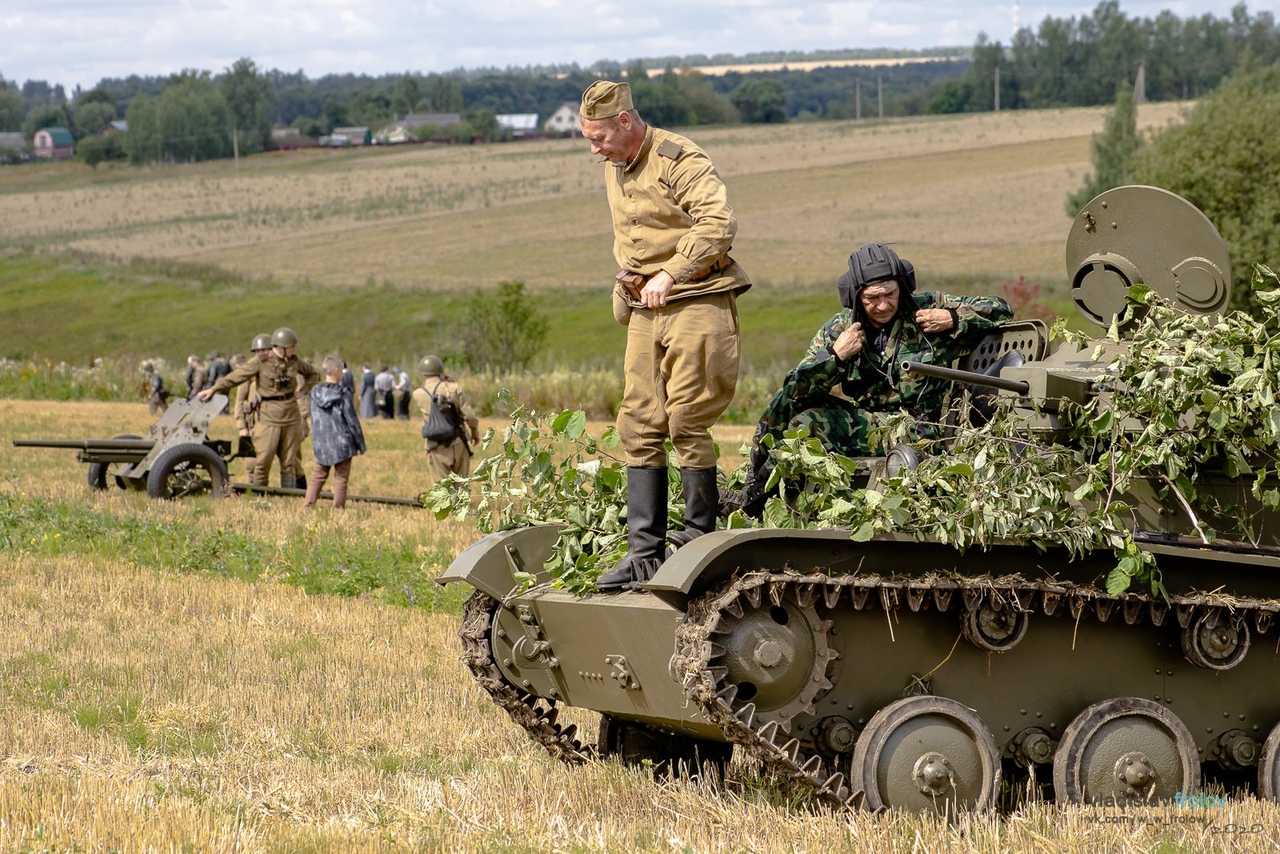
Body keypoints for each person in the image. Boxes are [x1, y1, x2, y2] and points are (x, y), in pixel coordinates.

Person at [578, 79, 751, 591]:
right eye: (588, 139)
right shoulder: (616, 164)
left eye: (599, 139)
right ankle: (643, 555)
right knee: (638, 422)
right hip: (645, 305)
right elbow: (631, 233)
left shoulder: (679, 157)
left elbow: (718, 223)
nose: (594, 151)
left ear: (625, 123)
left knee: (686, 420)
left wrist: (671, 272)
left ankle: (698, 547)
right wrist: (628, 280)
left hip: (695, 297)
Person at [721, 242, 1014, 517]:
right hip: (869, 423)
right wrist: (836, 356)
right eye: (873, 298)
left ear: (903, 287)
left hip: (922, 428)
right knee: (789, 404)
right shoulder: (839, 328)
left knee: (806, 422)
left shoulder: (928, 306)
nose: (884, 305)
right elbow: (796, 389)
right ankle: (754, 485)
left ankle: (755, 504)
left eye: (890, 294)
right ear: (856, 297)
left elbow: (1001, 308)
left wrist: (954, 318)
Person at [198, 327, 319, 488]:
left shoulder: (295, 362)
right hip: (269, 415)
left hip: (291, 414)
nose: (294, 349)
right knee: (262, 460)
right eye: (292, 346)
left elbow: (314, 374)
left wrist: (303, 391)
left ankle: (290, 498)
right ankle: (259, 496)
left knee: (289, 462)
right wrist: (213, 389)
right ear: (281, 347)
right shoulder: (261, 361)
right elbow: (236, 377)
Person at [304, 356, 366, 509]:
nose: (343, 374)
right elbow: (352, 421)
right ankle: (338, 509)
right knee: (341, 477)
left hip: (321, 442)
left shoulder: (314, 392)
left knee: (318, 476)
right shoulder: (343, 394)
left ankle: (307, 505)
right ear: (336, 370)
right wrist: (360, 443)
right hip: (342, 443)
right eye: (342, 371)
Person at [412, 355, 479, 482]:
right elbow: (469, 416)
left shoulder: (417, 393)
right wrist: (474, 433)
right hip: (458, 441)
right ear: (441, 371)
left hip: (436, 445)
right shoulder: (453, 388)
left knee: (442, 489)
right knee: (461, 486)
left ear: (422, 372)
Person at [232, 334, 272, 482]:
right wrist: (242, 427)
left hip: (274, 420)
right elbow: (239, 400)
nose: (261, 354)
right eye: (258, 351)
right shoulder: (249, 369)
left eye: (265, 350)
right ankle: (254, 487)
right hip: (253, 421)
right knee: (251, 461)